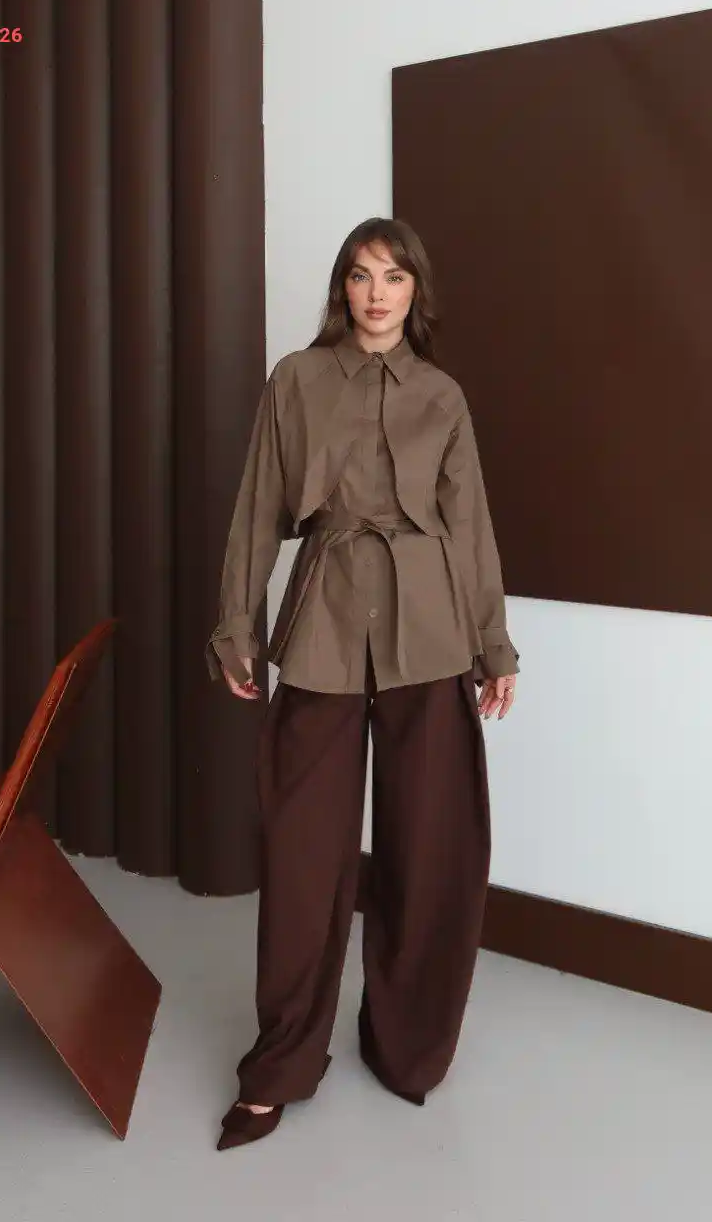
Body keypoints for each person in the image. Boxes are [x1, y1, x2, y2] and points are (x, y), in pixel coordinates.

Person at [206, 217, 519, 1151]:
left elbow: (470, 528)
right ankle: (281, 1064)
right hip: (324, 629)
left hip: (430, 636)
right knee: (304, 857)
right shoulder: (296, 381)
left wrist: (493, 647)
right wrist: (235, 627)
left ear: (415, 291)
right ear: (340, 288)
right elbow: (256, 507)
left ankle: (407, 1047)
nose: (376, 294)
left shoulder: (442, 397)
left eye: (393, 277)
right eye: (359, 275)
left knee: (430, 849)